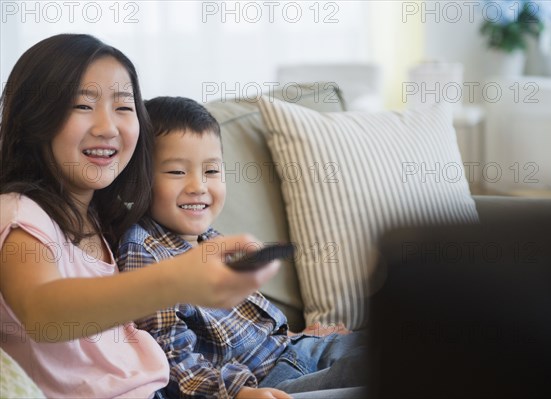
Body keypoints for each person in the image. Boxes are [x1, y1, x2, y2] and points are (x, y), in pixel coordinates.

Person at [0, 34, 280, 398]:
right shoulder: (19, 212)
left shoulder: (102, 223)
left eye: (124, 107)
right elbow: (43, 313)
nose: (108, 127)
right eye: (83, 105)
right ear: (34, 117)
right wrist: (175, 279)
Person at [117, 96, 368, 399]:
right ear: (137, 178)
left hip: (292, 350)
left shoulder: (209, 237)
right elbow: (172, 359)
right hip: (262, 382)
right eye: (176, 172)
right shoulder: (143, 250)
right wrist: (238, 394)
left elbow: (249, 319)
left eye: (211, 171)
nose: (199, 186)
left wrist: (299, 335)